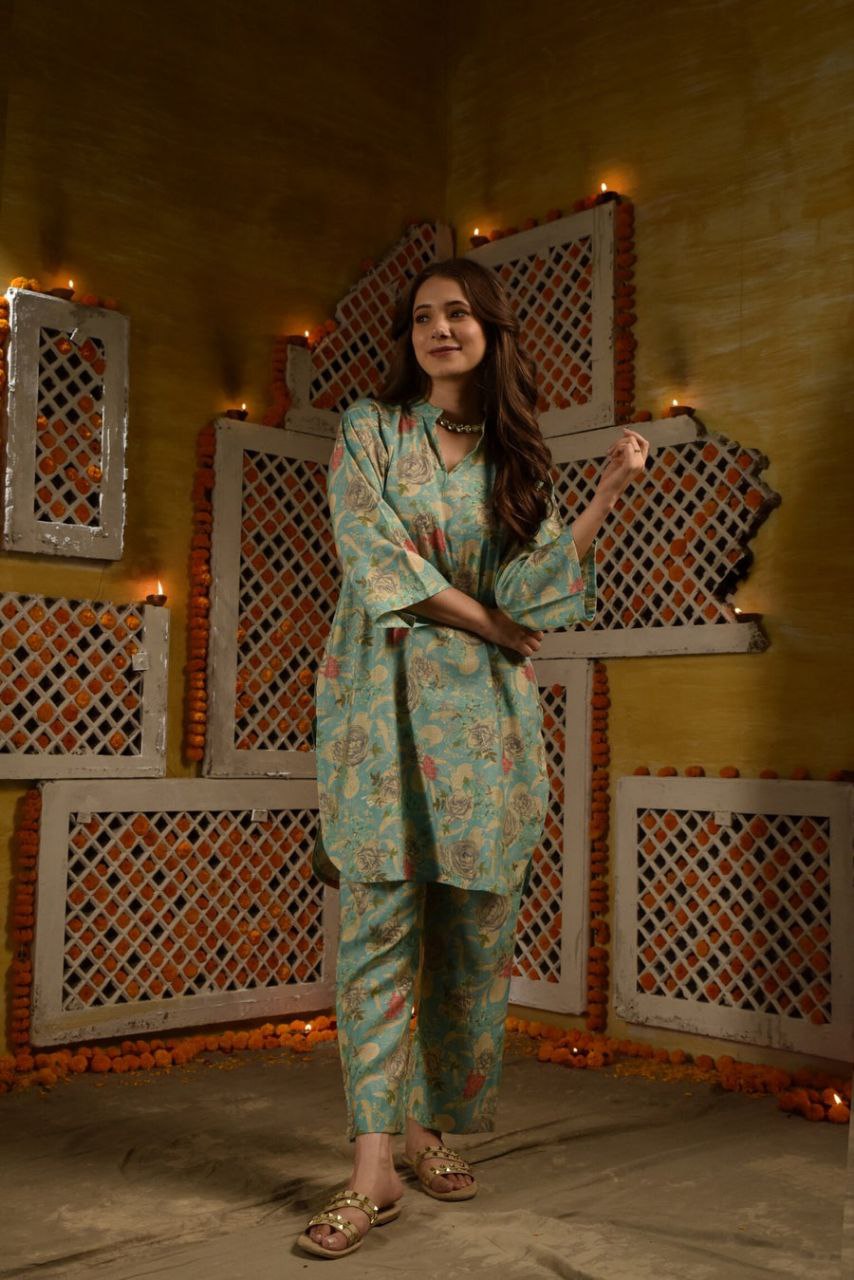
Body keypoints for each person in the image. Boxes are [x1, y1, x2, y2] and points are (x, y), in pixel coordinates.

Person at [297, 257, 649, 1258]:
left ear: (490, 330)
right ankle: (370, 1167)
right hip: (376, 714)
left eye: (457, 313)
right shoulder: (371, 428)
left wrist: (607, 494)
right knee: (375, 934)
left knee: (469, 938)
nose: (439, 329)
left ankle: (428, 1132)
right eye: (423, 316)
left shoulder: (511, 458)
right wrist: (489, 625)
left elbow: (535, 594)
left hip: (482, 728)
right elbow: (374, 556)